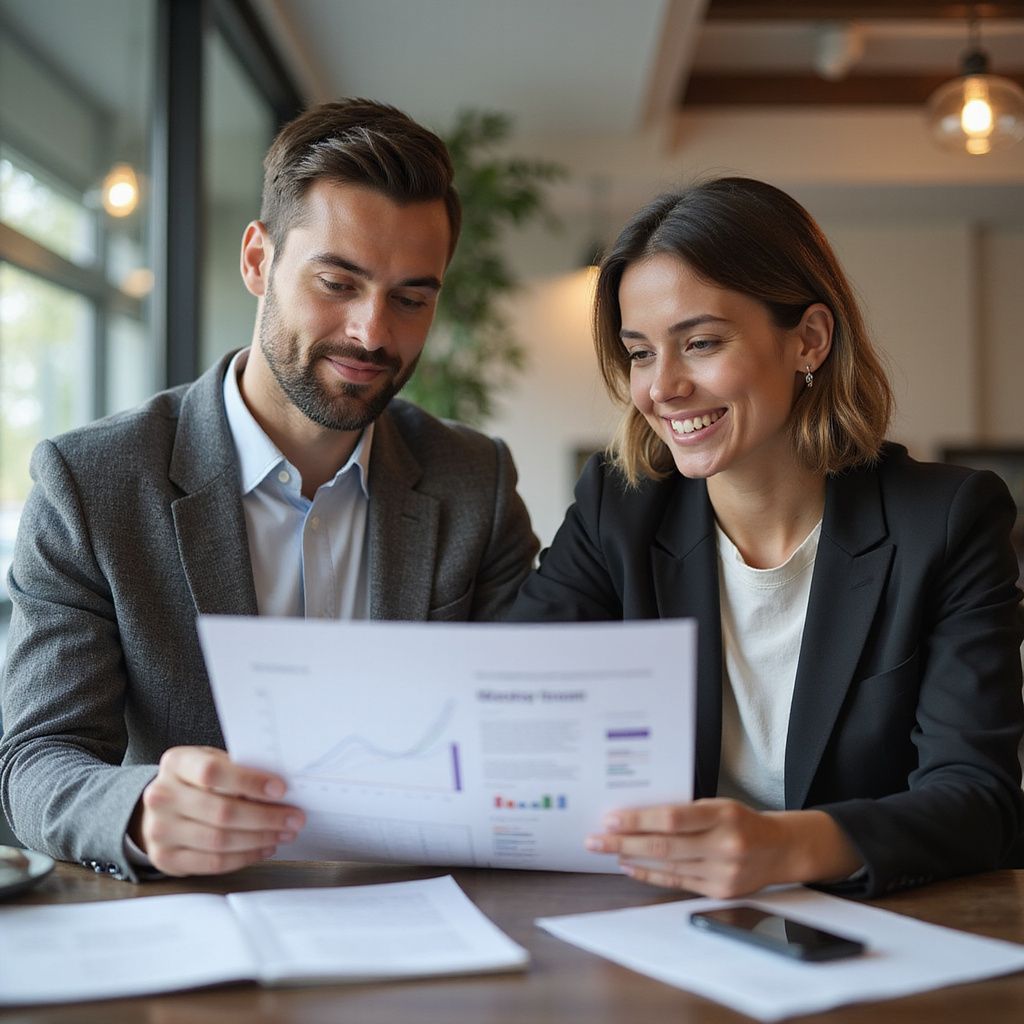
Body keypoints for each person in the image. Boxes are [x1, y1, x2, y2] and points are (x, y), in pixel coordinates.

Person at [0, 99, 538, 881]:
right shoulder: (92, 484)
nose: (372, 332)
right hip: (200, 930)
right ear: (258, 260)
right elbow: (32, 764)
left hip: (417, 919)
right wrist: (144, 812)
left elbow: (522, 729)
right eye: (338, 282)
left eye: (411, 299)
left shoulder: (473, 481)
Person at [510, 177, 1024, 899]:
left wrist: (789, 845)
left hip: (876, 931)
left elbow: (980, 800)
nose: (662, 388)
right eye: (641, 353)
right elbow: (508, 700)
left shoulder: (946, 522)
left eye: (701, 343)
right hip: (659, 922)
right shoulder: (619, 510)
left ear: (809, 339)